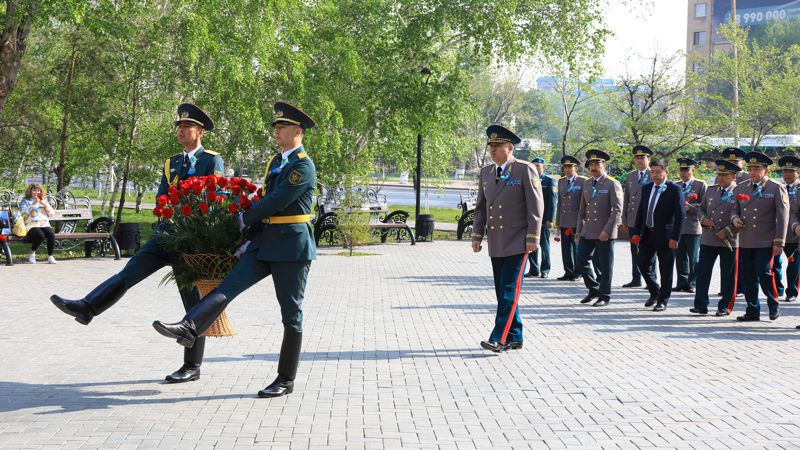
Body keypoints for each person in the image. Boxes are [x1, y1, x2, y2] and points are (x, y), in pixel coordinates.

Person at [50, 103, 224, 384]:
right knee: (128, 273)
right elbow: (162, 197)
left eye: (186, 127)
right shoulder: (172, 162)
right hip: (165, 235)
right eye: (178, 126)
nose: (180, 131)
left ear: (200, 132)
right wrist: (166, 218)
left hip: (190, 240)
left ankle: (192, 366)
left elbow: (212, 198)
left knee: (192, 300)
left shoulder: (211, 161)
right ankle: (87, 307)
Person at [153, 102, 317, 398]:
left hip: (292, 247)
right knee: (228, 287)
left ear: (298, 131)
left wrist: (242, 218)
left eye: (282, 127)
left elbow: (276, 202)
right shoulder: (277, 161)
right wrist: (246, 237)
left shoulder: (302, 166)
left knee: (291, 314)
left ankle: (285, 378)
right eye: (276, 127)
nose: (277, 131)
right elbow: (266, 200)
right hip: (265, 241)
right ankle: (188, 326)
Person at [467, 125, 543, 353]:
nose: (492, 150)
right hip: (497, 241)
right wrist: (477, 234)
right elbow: (481, 208)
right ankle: (516, 336)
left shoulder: (524, 169)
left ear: (509, 148)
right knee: (503, 292)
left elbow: (536, 206)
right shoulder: (486, 173)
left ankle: (498, 338)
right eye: (491, 146)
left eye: (497, 146)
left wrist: (533, 236)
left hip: (519, 241)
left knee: (509, 290)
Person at [731, 151, 788, 322]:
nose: (753, 172)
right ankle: (752, 310)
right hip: (746, 239)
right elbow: (735, 208)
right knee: (748, 275)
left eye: (757, 169)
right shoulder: (742, 187)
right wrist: (734, 218)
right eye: (751, 168)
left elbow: (783, 217)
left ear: (766, 171)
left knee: (764, 273)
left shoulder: (776, 187)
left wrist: (779, 241)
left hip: (766, 240)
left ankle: (773, 304)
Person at [631, 159, 684, 311]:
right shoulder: (647, 188)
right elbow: (641, 211)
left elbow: (680, 215)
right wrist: (636, 232)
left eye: (658, 172)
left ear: (666, 172)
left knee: (665, 269)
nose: (655, 175)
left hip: (666, 236)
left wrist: (675, 237)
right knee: (642, 263)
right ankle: (655, 291)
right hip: (647, 234)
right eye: (652, 172)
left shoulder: (675, 189)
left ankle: (663, 300)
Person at [690, 159, 741, 316]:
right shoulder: (711, 190)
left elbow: (743, 217)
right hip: (709, 238)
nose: (720, 178)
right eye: (719, 174)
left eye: (724, 175)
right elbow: (700, 209)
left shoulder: (740, 191)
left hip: (730, 241)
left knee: (728, 275)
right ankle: (700, 304)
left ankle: (724, 306)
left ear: (733, 176)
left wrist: (727, 231)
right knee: (702, 271)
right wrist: (703, 219)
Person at [576, 149, 622, 307]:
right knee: (580, 260)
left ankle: (604, 296)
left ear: (604, 165)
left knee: (604, 266)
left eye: (597, 163)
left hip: (605, 232)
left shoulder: (612, 183)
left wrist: (607, 231)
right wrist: (578, 231)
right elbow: (582, 210)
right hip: (588, 231)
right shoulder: (587, 183)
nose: (594, 167)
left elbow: (617, 210)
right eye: (591, 164)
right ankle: (593, 289)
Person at [622, 145, 653, 288]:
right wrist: (625, 218)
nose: (640, 161)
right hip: (634, 218)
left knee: (649, 249)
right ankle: (636, 278)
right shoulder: (631, 176)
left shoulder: (654, 174)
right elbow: (626, 198)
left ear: (648, 159)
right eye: (637, 158)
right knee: (634, 249)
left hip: (648, 219)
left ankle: (651, 279)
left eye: (643, 158)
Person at [674, 158, 707, 293]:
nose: (683, 173)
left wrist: (690, 207)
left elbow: (704, 204)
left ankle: (692, 283)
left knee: (693, 258)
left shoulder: (700, 185)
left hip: (693, 226)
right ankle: (682, 282)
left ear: (693, 170)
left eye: (686, 170)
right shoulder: (675, 185)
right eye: (681, 170)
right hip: (678, 227)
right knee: (680, 257)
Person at [555, 155, 586, 281]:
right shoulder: (561, 181)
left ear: (576, 168)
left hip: (577, 220)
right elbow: (560, 203)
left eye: (570, 167)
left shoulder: (583, 181)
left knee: (576, 247)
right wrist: (558, 221)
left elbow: (585, 203)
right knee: (565, 248)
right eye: (565, 167)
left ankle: (577, 272)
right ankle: (568, 271)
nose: (567, 170)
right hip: (564, 219)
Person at [526, 157, 556, 278]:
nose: (535, 167)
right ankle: (534, 269)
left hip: (543, 220)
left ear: (544, 167)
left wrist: (550, 219)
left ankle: (545, 269)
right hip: (530, 219)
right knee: (531, 243)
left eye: (538, 165)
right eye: (533, 165)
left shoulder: (549, 181)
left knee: (544, 245)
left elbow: (553, 202)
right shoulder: (528, 179)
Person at [778, 156, 800, 303]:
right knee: (772, 265)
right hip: (777, 234)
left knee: (793, 265)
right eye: (785, 171)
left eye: (791, 171)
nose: (787, 174)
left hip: (794, 234)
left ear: (797, 172)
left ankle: (791, 291)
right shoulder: (777, 187)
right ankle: (777, 289)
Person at [18, 183, 56, 264]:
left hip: (44, 224)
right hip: (31, 225)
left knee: (51, 234)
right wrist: (34, 204)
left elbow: (52, 214)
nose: (36, 192)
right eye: (34, 190)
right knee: (40, 235)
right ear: (30, 191)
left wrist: (45, 205)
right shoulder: (25, 201)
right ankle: (32, 253)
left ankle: (50, 256)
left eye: (38, 190)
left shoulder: (44, 200)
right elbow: (23, 215)